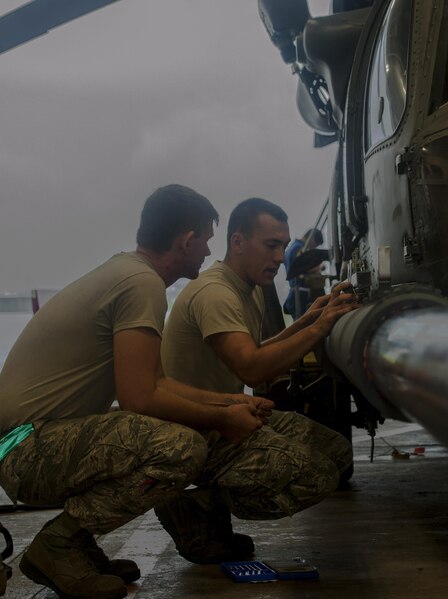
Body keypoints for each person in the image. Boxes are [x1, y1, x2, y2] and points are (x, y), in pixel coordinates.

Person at [0, 185, 272, 599]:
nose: (207, 252)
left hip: (24, 441)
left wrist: (233, 400)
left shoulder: (128, 273)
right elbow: (139, 399)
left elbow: (157, 381)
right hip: (23, 448)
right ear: (186, 240)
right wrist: (222, 419)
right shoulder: (141, 284)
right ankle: (59, 545)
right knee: (179, 447)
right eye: (206, 241)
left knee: (160, 432)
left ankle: (78, 545)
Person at [160, 198, 358, 563]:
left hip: (228, 415)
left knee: (338, 454)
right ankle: (195, 506)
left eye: (283, 246)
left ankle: (209, 512)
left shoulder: (244, 287)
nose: (281, 257)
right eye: (271, 245)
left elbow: (254, 348)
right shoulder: (215, 292)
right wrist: (322, 328)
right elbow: (250, 368)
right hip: (199, 428)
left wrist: (309, 319)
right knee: (316, 476)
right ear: (237, 243)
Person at [283, 227, 325, 319]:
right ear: (313, 239)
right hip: (300, 294)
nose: (314, 248)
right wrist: (319, 267)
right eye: (315, 245)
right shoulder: (300, 249)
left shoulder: (292, 247)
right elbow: (303, 268)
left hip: (296, 293)